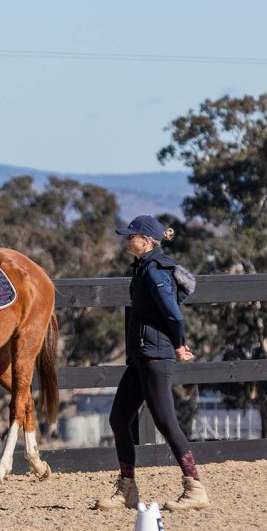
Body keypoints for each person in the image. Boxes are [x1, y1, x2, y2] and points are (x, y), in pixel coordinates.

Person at [94, 215, 210, 511]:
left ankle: (195, 488)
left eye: (130, 236)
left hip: (156, 356)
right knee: (119, 419)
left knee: (165, 421)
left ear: (145, 241)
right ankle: (127, 489)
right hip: (140, 356)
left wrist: (180, 343)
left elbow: (173, 312)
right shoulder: (142, 267)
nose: (126, 240)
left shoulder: (154, 270)